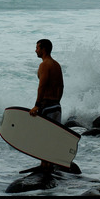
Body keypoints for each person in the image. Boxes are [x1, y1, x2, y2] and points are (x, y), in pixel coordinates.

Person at [29, 39, 64, 172]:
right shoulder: (56, 65)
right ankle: (48, 165)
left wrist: (37, 105)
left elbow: (42, 86)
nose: (35, 50)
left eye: (37, 48)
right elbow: (61, 86)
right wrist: (57, 101)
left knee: (43, 137)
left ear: (43, 49)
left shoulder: (44, 65)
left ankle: (45, 166)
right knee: (52, 138)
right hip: (56, 106)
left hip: (47, 105)